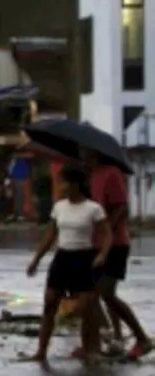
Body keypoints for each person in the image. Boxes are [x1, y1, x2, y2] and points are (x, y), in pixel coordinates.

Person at [23, 165, 112, 364]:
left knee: (86, 308)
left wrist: (103, 255)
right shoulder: (59, 207)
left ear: (76, 184)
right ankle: (41, 352)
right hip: (62, 258)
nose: (61, 186)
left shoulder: (93, 208)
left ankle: (89, 349)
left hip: (84, 258)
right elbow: (50, 236)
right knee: (50, 304)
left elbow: (107, 234)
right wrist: (36, 260)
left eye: (64, 182)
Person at [80, 148, 152, 359]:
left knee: (105, 293)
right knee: (90, 295)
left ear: (95, 153)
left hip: (116, 244)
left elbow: (121, 207)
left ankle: (141, 338)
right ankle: (93, 343)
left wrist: (107, 228)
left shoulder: (111, 172)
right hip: (94, 243)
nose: (82, 156)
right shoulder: (90, 176)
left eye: (85, 153)